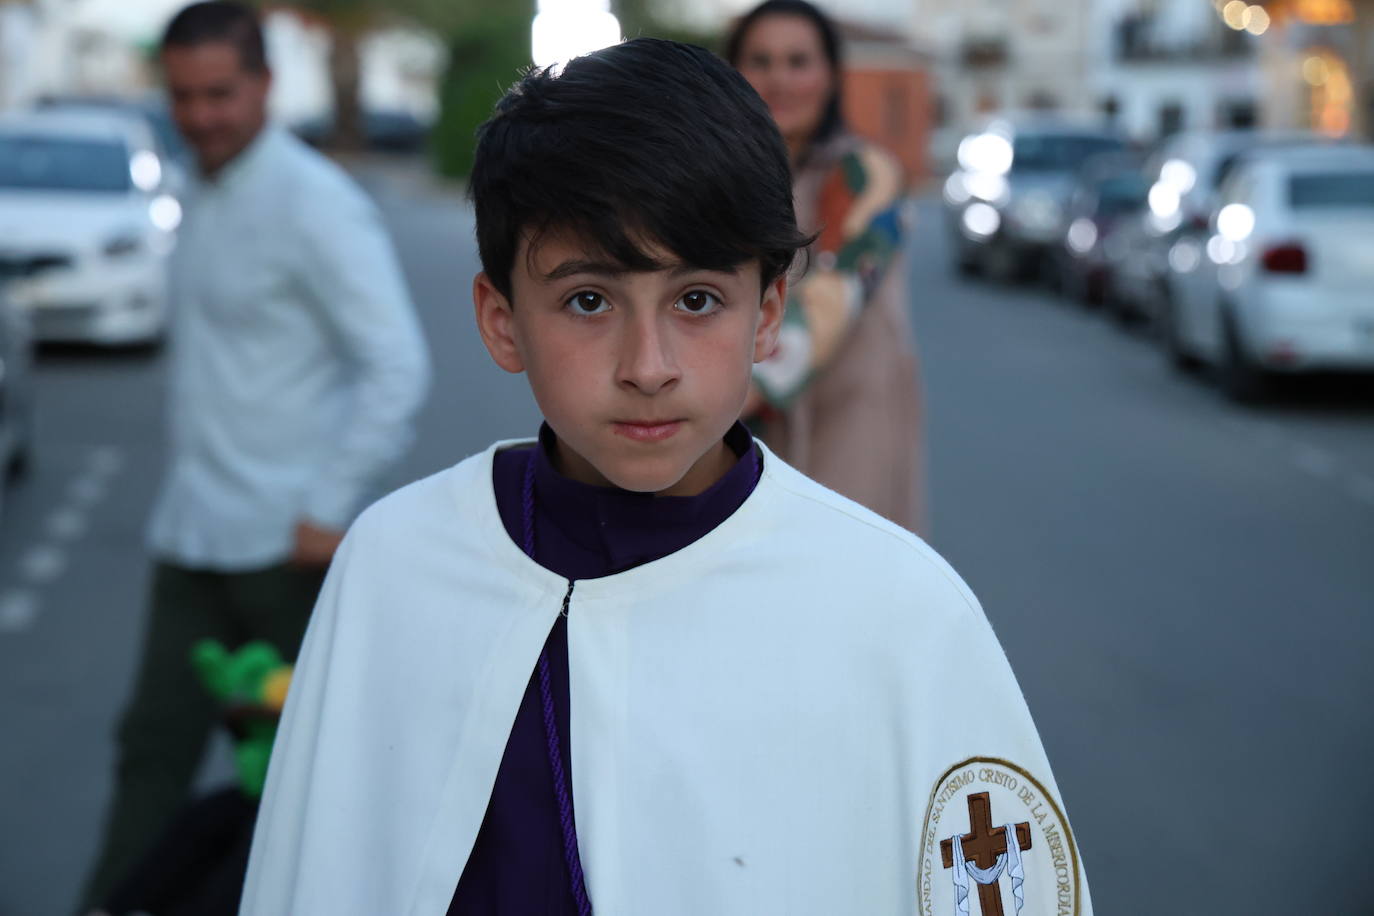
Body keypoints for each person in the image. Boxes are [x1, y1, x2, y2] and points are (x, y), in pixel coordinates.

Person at [240, 39, 1091, 915]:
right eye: (588, 300)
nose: (648, 367)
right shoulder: (395, 565)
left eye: (697, 300)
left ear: (768, 315)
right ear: (501, 321)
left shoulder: (901, 610)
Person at [80, 2, 430, 910]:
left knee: (300, 785)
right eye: (184, 96)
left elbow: (396, 362)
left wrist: (328, 504)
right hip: (190, 535)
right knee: (150, 754)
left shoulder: (316, 203)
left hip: (284, 551)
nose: (201, 116)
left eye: (221, 94)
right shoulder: (195, 187)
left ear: (266, 86)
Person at [727, 0, 924, 533]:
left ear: (831, 76)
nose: (779, 79)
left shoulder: (869, 173)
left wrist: (711, 401)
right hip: (745, 421)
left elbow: (837, 291)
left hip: (848, 415)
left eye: (798, 61)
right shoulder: (722, 180)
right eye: (761, 61)